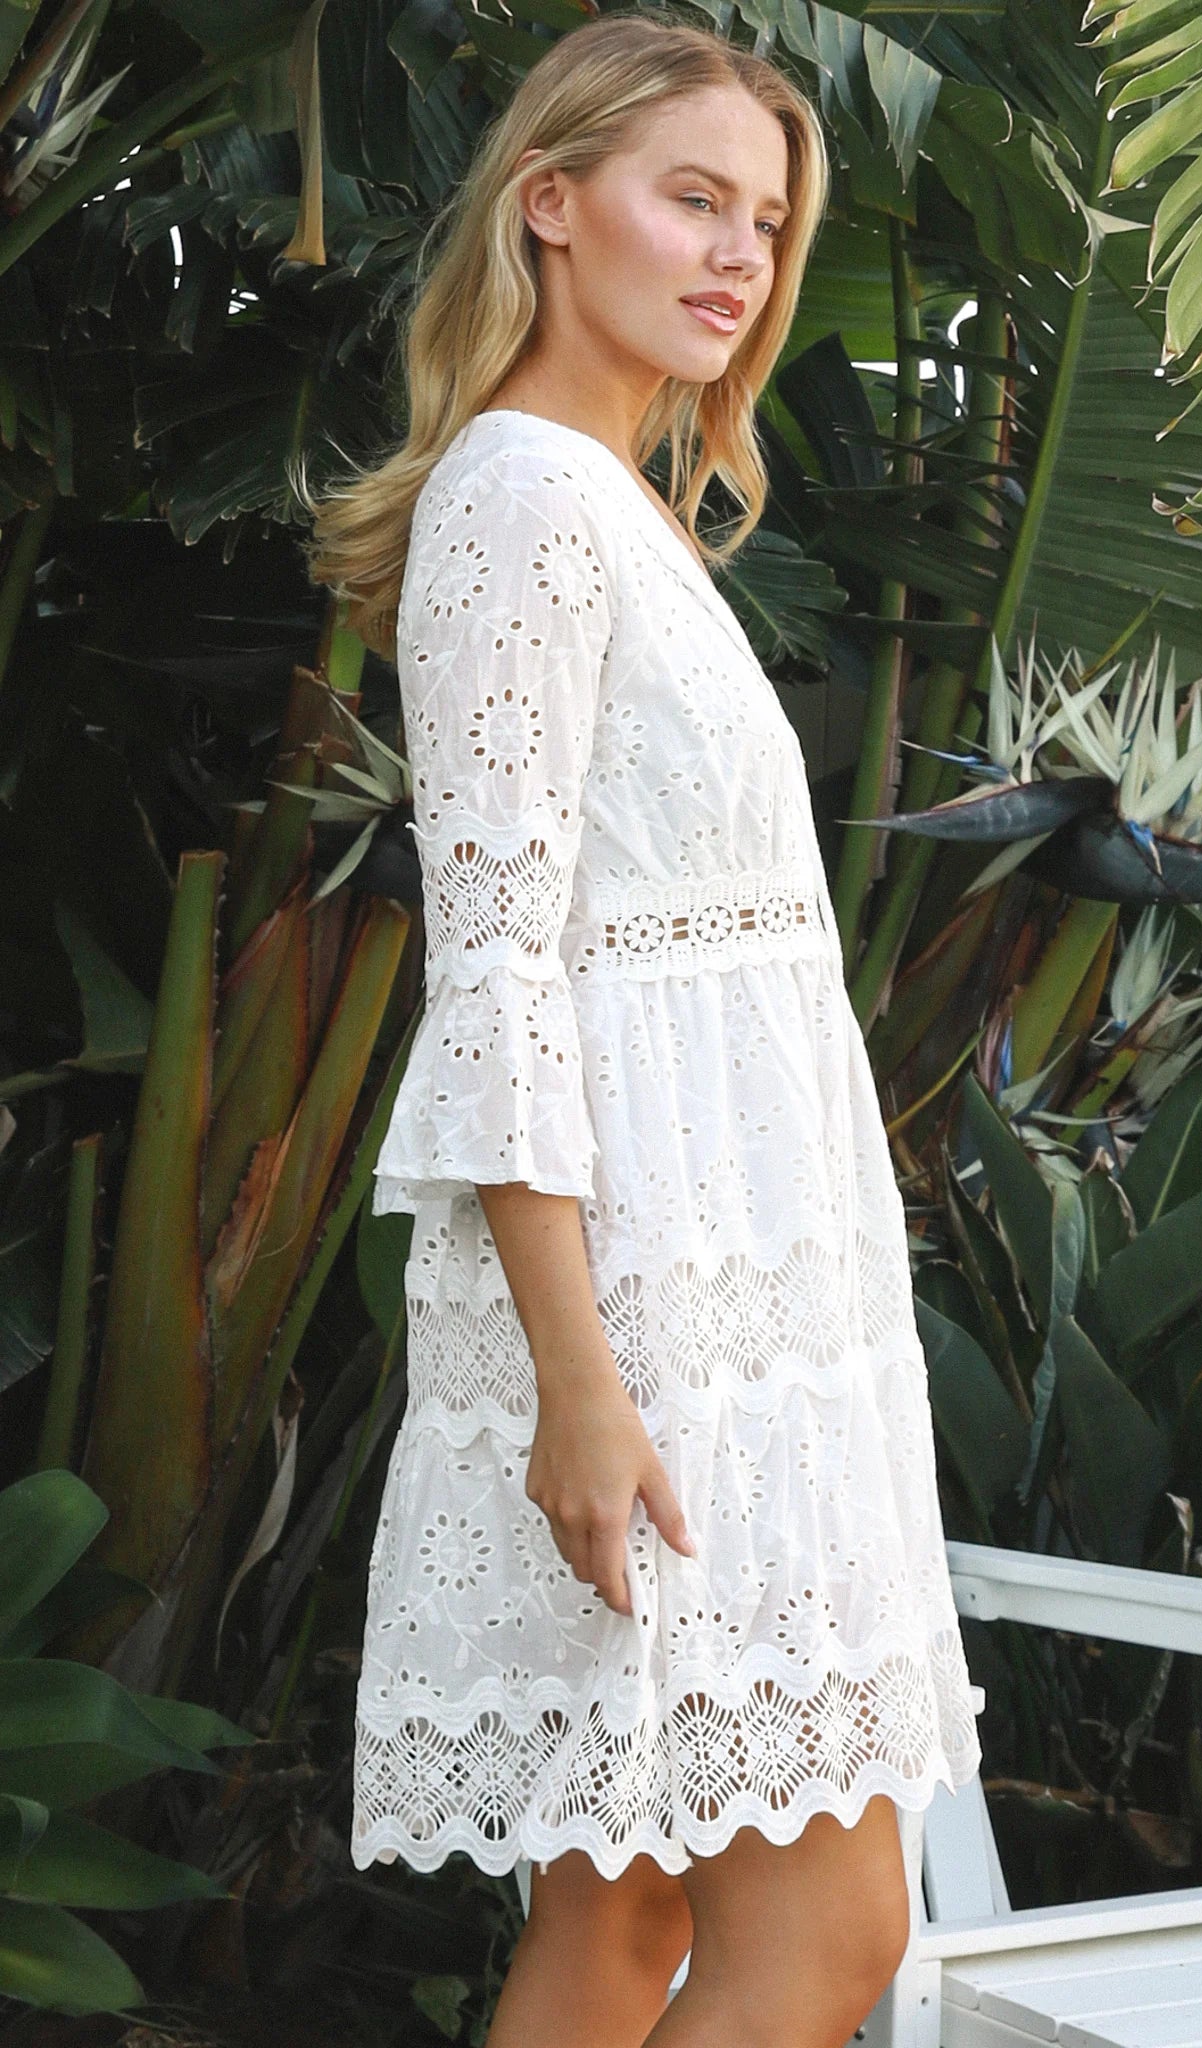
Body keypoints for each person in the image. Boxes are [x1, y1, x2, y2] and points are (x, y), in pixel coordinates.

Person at [300, 10, 984, 2044]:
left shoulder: (605, 503)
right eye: (692, 195)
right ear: (548, 203)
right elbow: (498, 971)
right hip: (659, 1330)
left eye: (763, 222)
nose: (737, 256)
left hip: (732, 1300)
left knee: (623, 1931)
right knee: (822, 1933)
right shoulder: (521, 496)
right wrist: (582, 1384)